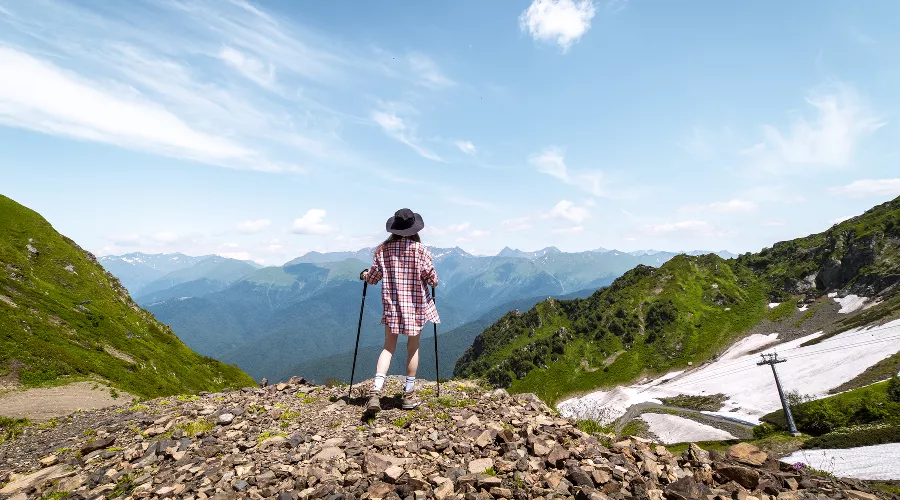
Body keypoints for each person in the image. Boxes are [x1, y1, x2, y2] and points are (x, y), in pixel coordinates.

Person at [360, 208, 439, 413]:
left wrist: (364, 275)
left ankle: (375, 392)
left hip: (392, 307)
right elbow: (433, 280)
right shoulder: (420, 250)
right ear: (414, 229)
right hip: (416, 307)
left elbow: (373, 278)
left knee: (388, 347)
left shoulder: (383, 251)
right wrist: (430, 279)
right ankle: (408, 396)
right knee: (413, 348)